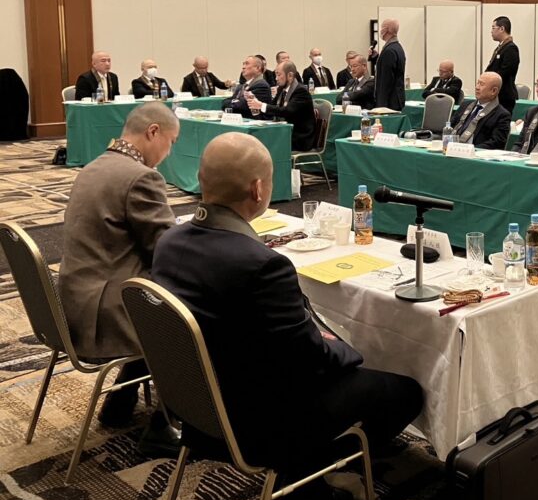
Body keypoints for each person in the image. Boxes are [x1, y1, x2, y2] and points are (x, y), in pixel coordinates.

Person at [150, 133, 423, 474]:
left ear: (200, 178)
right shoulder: (262, 264)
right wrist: (349, 350)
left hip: (195, 405)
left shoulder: (168, 241)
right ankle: (311, 468)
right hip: (260, 423)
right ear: (258, 190)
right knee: (406, 392)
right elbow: (309, 359)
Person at [58, 103, 179, 428]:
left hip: (75, 300)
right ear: (153, 132)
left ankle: (121, 400)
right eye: (171, 142)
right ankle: (167, 423)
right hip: (105, 312)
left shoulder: (93, 166)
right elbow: (166, 250)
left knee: (153, 291)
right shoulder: (141, 177)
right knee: (196, 302)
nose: (169, 153)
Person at [248, 61, 316, 151]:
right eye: (276, 75)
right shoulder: (281, 89)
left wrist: (261, 106)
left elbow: (287, 111)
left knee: (264, 143)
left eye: (279, 75)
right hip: (285, 132)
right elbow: (273, 108)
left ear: (290, 75)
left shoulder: (301, 91)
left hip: (299, 138)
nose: (276, 78)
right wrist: (257, 108)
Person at [450, 72, 511, 150]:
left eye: (481, 84)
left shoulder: (502, 115)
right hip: (452, 148)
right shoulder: (465, 105)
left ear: (494, 91)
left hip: (475, 153)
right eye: (477, 83)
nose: (477, 87)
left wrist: (470, 149)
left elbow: (497, 143)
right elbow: (450, 126)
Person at [486, 16, 520, 113]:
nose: (491, 31)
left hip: (504, 95)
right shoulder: (501, 47)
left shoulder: (511, 48)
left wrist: (490, 80)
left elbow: (506, 71)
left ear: (502, 29)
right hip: (496, 94)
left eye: (493, 28)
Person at [374, 19, 406, 111]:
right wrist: (376, 58)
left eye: (382, 27)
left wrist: (381, 104)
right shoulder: (397, 48)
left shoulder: (389, 51)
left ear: (386, 30)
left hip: (389, 102)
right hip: (396, 99)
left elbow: (386, 80)